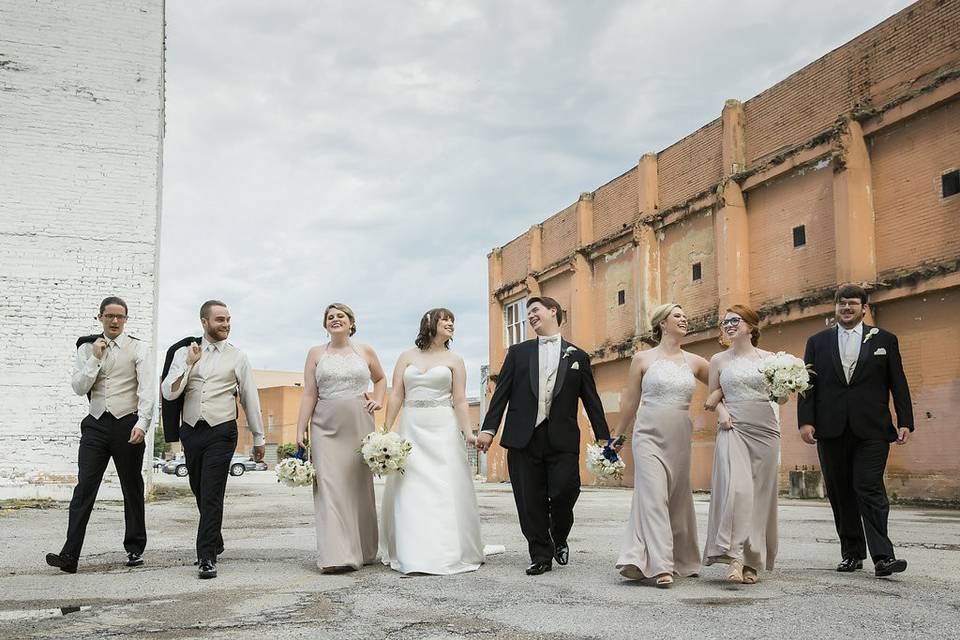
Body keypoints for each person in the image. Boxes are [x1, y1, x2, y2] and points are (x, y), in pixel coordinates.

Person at [477, 296, 619, 576]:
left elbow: (591, 400)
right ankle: (541, 554)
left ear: (553, 312)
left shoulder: (577, 356)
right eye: (527, 313)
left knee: (567, 491)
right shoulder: (518, 353)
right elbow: (501, 394)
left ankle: (558, 535)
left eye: (534, 310)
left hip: (562, 438)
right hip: (522, 438)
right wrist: (488, 429)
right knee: (529, 500)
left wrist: (605, 439)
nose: (529, 316)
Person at [797, 284, 913, 578]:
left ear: (864, 308)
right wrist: (805, 421)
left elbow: (897, 382)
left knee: (869, 487)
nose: (846, 308)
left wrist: (905, 420)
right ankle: (851, 553)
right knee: (840, 491)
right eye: (841, 304)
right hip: (831, 427)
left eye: (852, 304)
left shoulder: (885, 340)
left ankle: (884, 557)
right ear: (835, 308)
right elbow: (806, 385)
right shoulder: (817, 342)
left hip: (873, 428)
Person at [46, 296, 153, 574]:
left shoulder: (139, 347)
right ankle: (70, 554)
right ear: (100, 318)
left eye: (120, 316)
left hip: (127, 423)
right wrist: (95, 357)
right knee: (84, 489)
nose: (115, 321)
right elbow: (79, 387)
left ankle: (134, 548)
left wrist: (142, 423)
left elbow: (147, 390)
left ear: (126, 319)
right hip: (95, 424)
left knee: (132, 487)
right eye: (109, 316)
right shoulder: (86, 347)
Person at [161, 300, 265, 579]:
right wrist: (188, 363)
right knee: (199, 488)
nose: (226, 324)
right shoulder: (185, 352)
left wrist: (258, 437)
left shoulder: (238, 356)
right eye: (220, 320)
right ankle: (215, 538)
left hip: (222, 430)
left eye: (228, 319)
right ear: (204, 322)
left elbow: (250, 398)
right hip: (192, 431)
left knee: (212, 493)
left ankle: (206, 556)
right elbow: (169, 393)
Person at [379, 308, 484, 575]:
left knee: (442, 485)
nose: (450, 323)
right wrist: (385, 430)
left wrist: (468, 433)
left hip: (442, 426)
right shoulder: (406, 357)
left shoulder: (455, 359)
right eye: (445, 319)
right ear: (430, 323)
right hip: (411, 425)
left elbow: (460, 400)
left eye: (453, 320)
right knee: (410, 485)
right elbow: (396, 396)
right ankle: (412, 549)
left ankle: (444, 549)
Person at [613, 303, 709, 588]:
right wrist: (618, 436)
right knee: (653, 496)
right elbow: (631, 400)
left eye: (685, 315)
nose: (684, 319)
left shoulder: (695, 361)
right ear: (662, 323)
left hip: (679, 434)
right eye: (678, 315)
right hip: (648, 433)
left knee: (677, 498)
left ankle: (680, 558)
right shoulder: (642, 359)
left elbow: (722, 382)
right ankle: (660, 564)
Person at [295, 303, 385, 573]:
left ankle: (364, 550)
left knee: (358, 487)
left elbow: (380, 379)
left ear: (351, 323)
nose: (335, 320)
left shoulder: (366, 350)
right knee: (329, 487)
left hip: (359, 423)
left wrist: (378, 401)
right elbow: (310, 393)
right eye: (330, 317)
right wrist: (300, 429)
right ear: (325, 325)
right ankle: (337, 555)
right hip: (324, 425)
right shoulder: (315, 353)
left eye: (340, 316)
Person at [702, 304, 782, 584]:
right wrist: (722, 414)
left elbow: (780, 398)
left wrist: (786, 384)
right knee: (737, 491)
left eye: (735, 321)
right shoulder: (718, 360)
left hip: (765, 430)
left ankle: (752, 562)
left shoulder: (771, 359)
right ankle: (734, 558)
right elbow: (713, 395)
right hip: (733, 427)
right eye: (725, 322)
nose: (729, 325)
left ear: (751, 326)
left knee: (760, 498)